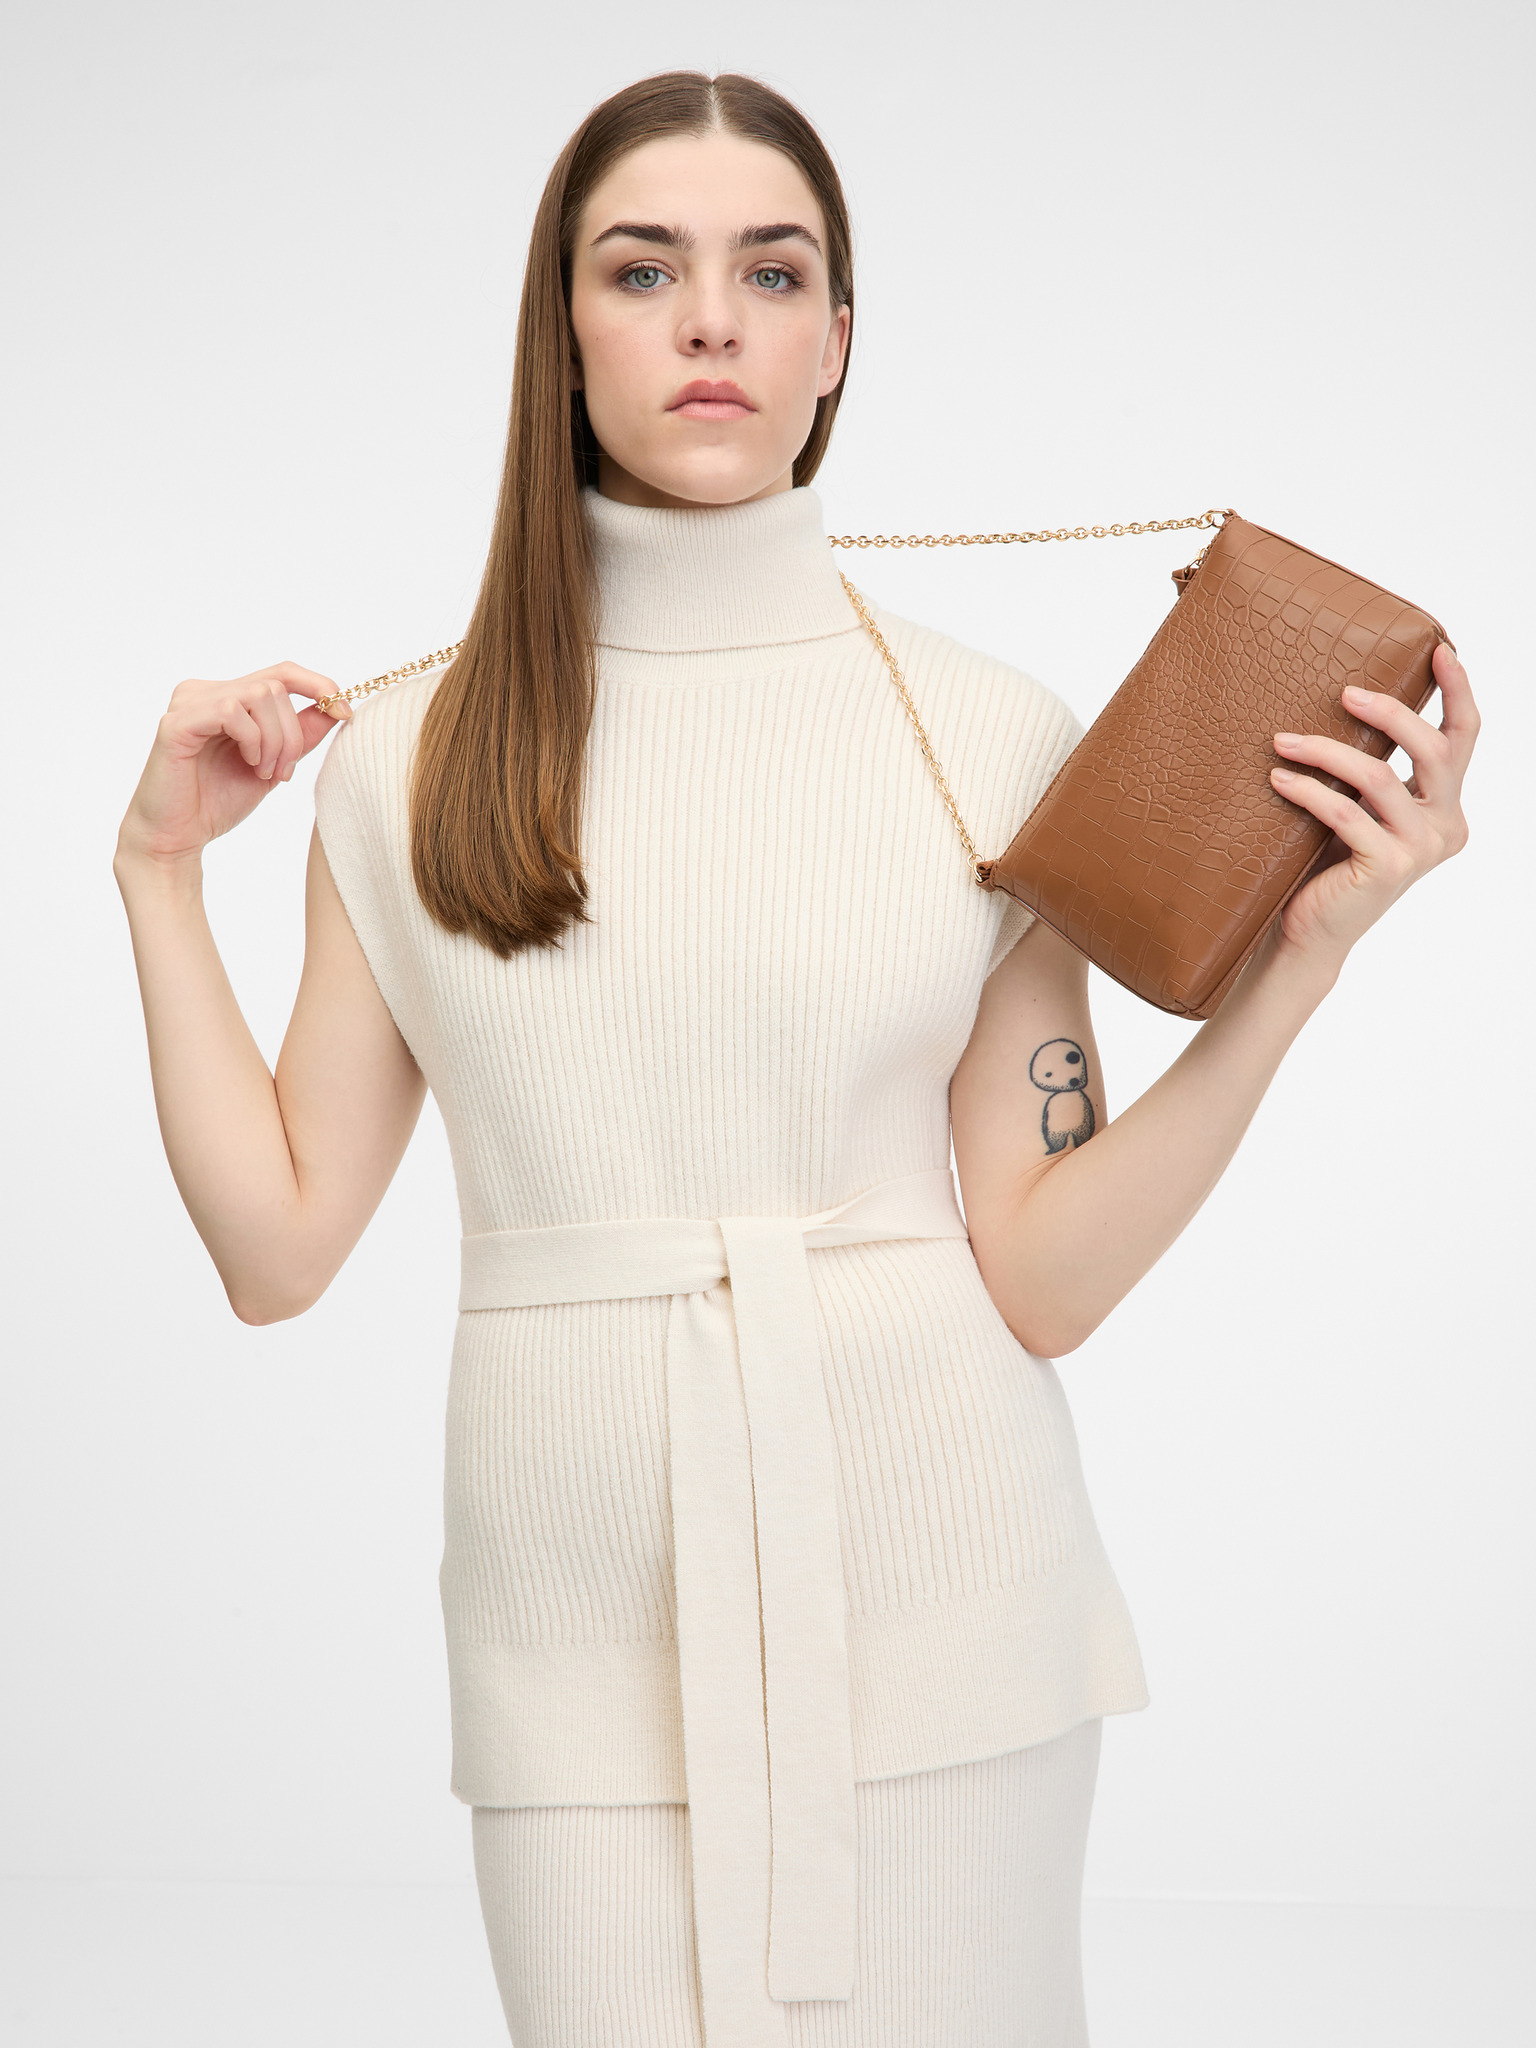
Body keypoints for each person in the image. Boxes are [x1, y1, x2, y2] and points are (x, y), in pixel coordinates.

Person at [111, 68, 1477, 2048]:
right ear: (561, 332)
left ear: (837, 339)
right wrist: (158, 874)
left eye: (771, 272)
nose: (710, 320)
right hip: (572, 1630)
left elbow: (1043, 1273)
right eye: (641, 268)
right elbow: (277, 1249)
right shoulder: (408, 761)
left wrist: (1298, 968)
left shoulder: (986, 729)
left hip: (950, 1610)